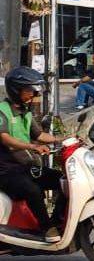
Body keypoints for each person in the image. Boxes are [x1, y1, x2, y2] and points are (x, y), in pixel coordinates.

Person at [0, 67, 66, 242]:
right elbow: (5, 138)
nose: (34, 94)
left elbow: (40, 135)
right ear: (16, 90)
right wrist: (32, 146)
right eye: (29, 90)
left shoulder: (26, 112)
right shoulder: (2, 111)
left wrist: (64, 139)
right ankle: (47, 229)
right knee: (33, 190)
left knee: (63, 180)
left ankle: (56, 222)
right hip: (6, 171)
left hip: (26, 168)